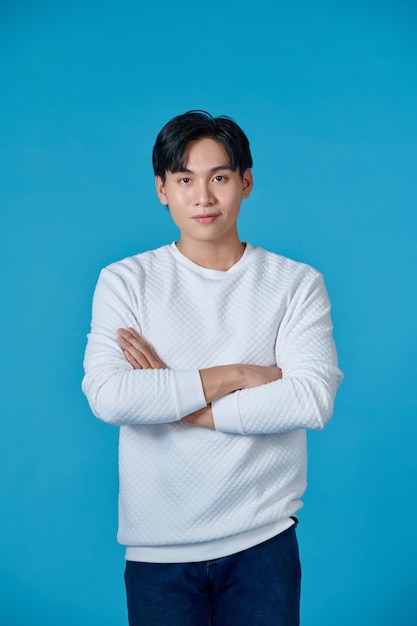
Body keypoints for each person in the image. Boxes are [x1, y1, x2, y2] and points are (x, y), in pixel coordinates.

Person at [82, 110, 343, 625]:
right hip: (159, 551)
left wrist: (178, 403)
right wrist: (238, 375)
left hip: (262, 541)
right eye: (184, 180)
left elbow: (311, 399)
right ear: (162, 189)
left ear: (245, 182)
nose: (203, 197)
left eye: (219, 177)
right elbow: (110, 396)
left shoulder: (295, 283)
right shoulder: (125, 281)